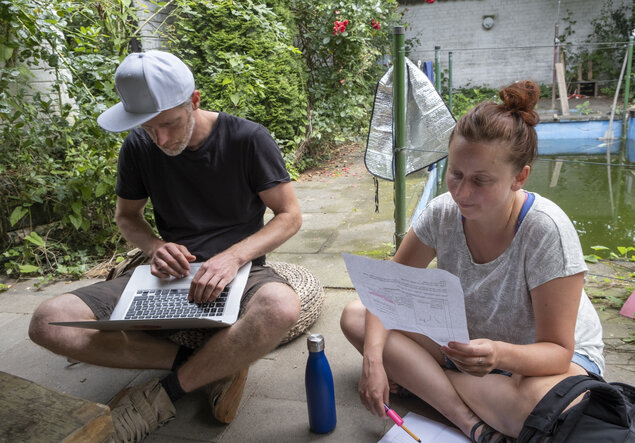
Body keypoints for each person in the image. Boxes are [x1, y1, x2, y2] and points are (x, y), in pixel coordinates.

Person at [28, 50, 303, 442]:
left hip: (241, 271)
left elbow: (289, 215)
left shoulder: (247, 138)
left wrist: (233, 257)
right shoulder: (139, 147)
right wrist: (156, 246)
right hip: (166, 273)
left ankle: (166, 393)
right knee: (48, 321)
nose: (159, 139)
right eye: (146, 127)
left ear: (194, 101)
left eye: (170, 124)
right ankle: (205, 366)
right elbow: (128, 217)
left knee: (282, 306)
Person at [340, 80, 605, 442]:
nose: (462, 192)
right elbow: (387, 289)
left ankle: (425, 382)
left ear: (519, 177)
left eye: (481, 180)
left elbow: (558, 352)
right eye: (456, 174)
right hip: (466, 347)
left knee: (548, 406)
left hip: (542, 364)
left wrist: (497, 355)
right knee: (356, 316)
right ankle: (471, 423)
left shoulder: (546, 231)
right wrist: (372, 361)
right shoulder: (443, 213)